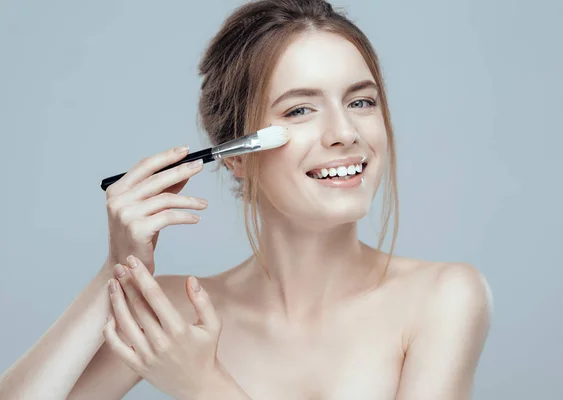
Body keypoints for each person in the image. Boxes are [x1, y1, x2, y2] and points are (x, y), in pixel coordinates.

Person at [0, 0, 493, 399]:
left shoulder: (443, 298)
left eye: (361, 101)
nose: (344, 132)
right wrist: (116, 268)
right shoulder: (177, 312)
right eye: (300, 110)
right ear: (235, 154)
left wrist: (202, 386)